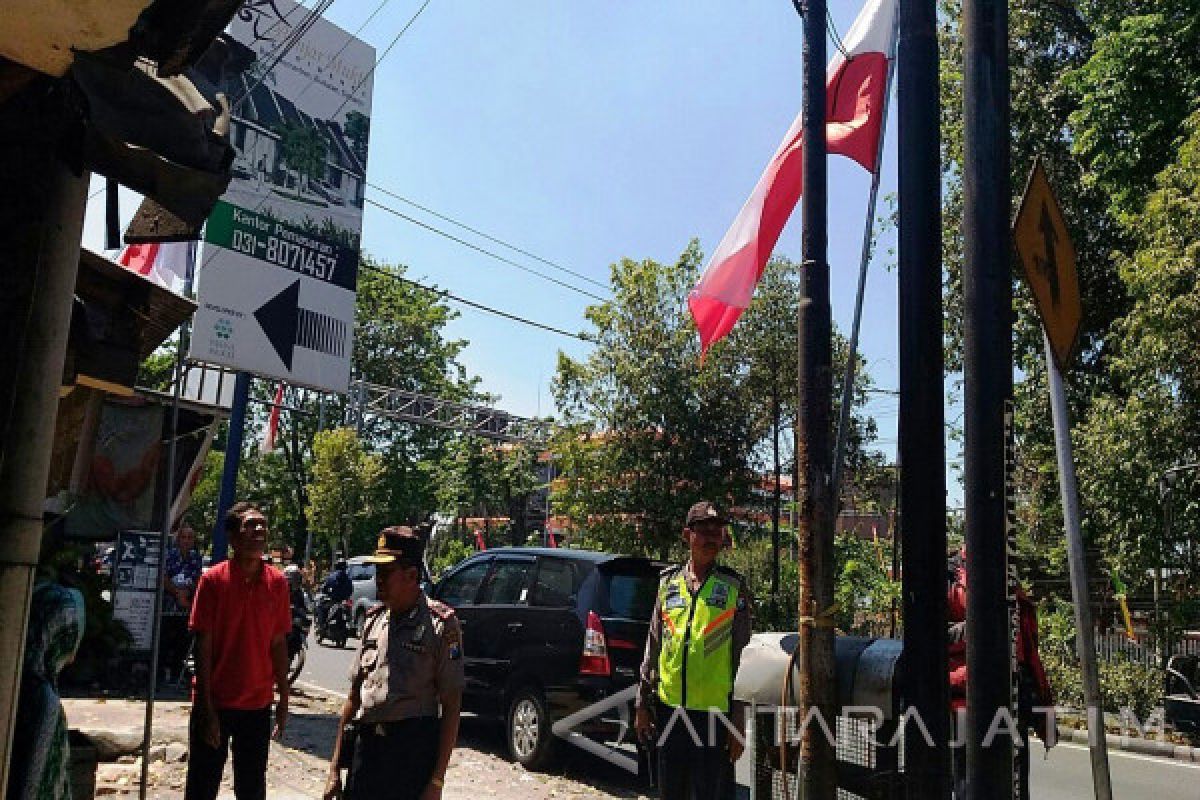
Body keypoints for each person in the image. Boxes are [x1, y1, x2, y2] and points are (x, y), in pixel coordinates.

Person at [325, 526, 464, 800]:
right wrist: (334, 769)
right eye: (378, 572)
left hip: (409, 757)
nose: (379, 580)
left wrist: (436, 781)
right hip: (367, 751)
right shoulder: (374, 620)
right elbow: (354, 697)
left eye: (386, 573)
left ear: (412, 575)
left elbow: (451, 705)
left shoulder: (441, 625)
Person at [635, 501, 753, 800]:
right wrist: (641, 703)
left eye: (717, 532)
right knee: (670, 792)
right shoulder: (668, 584)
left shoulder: (732, 587)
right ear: (687, 535)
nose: (712, 538)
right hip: (669, 710)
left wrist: (739, 719)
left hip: (715, 715)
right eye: (704, 531)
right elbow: (654, 645)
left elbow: (744, 658)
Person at [185, 502, 292, 800]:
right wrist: (206, 707)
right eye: (250, 525)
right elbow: (202, 644)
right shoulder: (213, 581)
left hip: (257, 707)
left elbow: (278, 643)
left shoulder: (278, 583)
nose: (259, 530)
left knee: (252, 787)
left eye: (262, 524)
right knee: (202, 786)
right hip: (215, 702)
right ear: (232, 538)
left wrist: (283, 698)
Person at [947, 547, 1055, 800]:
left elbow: (1029, 653)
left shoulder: (1010, 582)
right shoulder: (951, 576)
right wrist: (982, 625)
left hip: (1011, 699)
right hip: (968, 701)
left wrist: (1045, 710)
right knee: (970, 784)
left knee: (1015, 783)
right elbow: (930, 636)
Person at [162, 520, 204, 681]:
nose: (186, 540)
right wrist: (177, 593)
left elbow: (198, 578)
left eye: (190, 537)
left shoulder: (195, 557)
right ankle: (161, 669)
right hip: (169, 601)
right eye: (183, 537)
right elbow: (164, 577)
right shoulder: (170, 555)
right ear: (178, 539)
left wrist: (187, 593)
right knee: (166, 636)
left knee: (184, 637)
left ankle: (177, 668)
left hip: (187, 602)